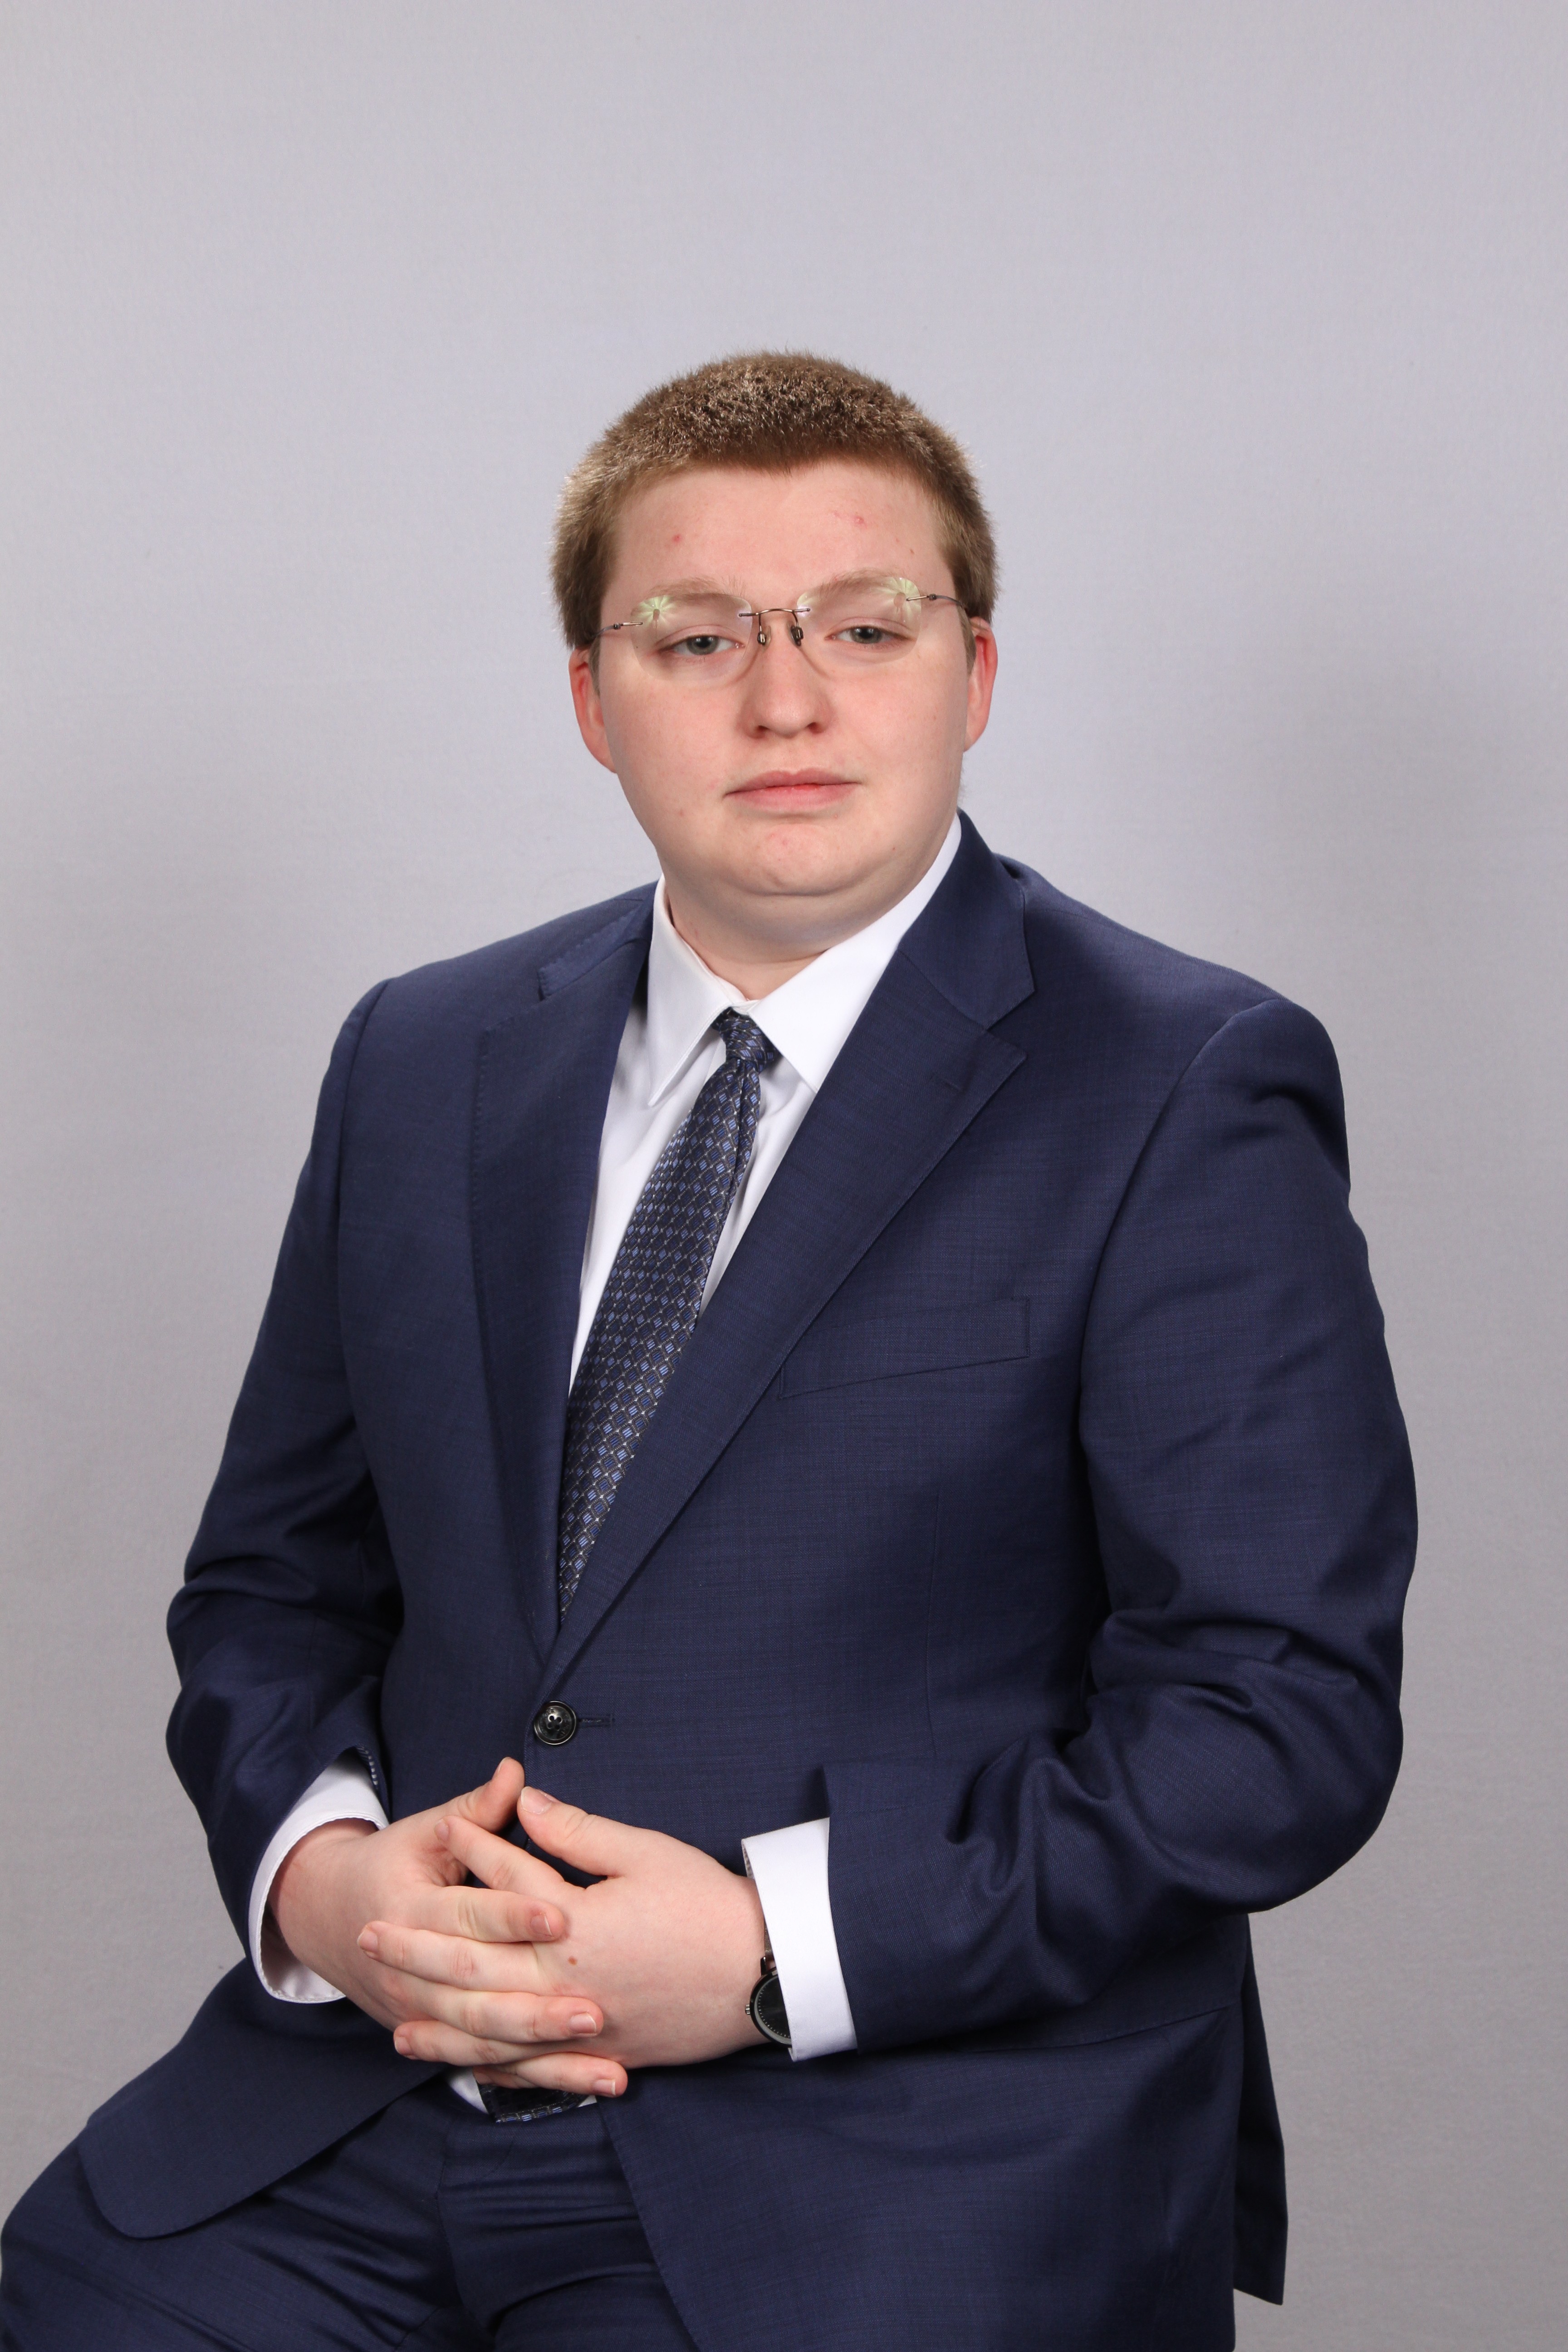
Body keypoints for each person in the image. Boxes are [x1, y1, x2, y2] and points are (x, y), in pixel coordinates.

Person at [0, 353, 1416, 2352]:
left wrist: (770, 1952)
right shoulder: (422, 1056)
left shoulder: (1182, 1081)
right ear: (595, 699)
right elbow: (270, 1587)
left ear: (974, 674)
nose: (786, 699)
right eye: (698, 637)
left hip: (896, 2140)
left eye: (864, 627)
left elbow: (1277, 1717)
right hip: (372, 2099)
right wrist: (329, 1889)